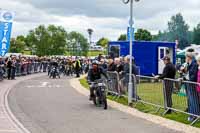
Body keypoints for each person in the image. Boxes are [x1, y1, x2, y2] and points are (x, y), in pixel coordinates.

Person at [184, 51, 199, 121]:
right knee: (190, 100)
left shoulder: (194, 64)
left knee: (193, 100)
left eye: (185, 57)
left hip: (192, 84)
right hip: (189, 83)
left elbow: (193, 76)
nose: (185, 58)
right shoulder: (189, 64)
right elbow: (188, 74)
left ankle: (195, 115)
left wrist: (188, 79)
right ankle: (192, 114)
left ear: (188, 57)